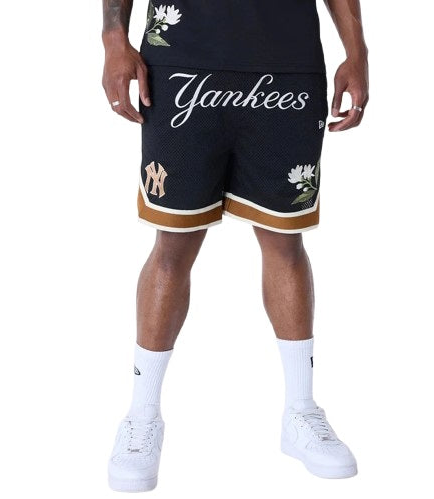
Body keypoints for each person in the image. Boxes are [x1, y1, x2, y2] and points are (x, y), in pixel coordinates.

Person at [102, 0, 368, 491]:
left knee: (285, 238)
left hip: (288, 65)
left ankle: (300, 411)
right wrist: (114, 40)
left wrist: (357, 52)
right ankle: (142, 416)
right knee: (173, 242)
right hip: (180, 61)